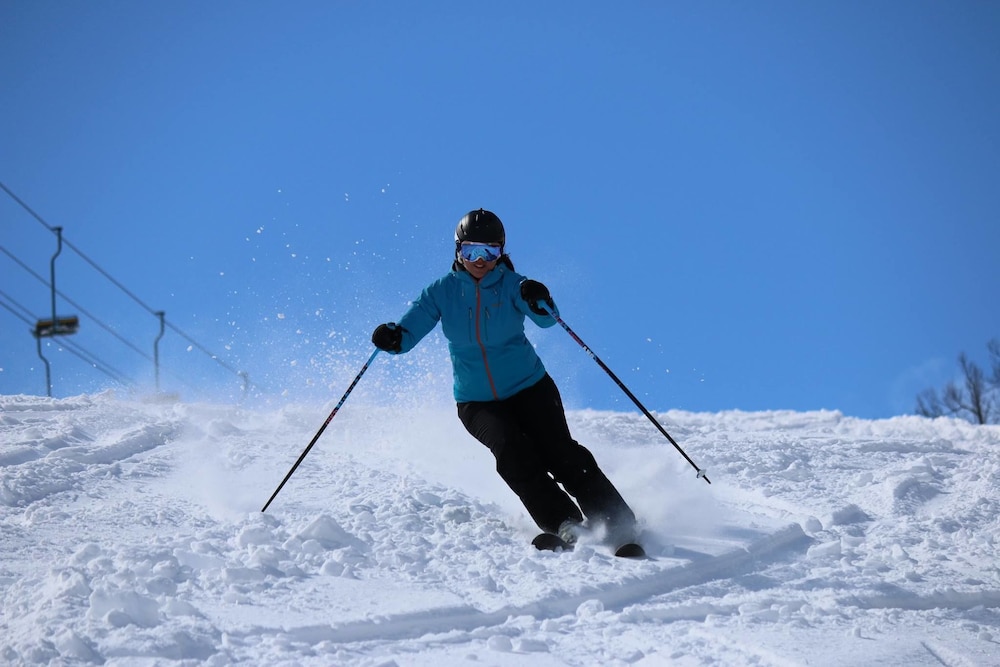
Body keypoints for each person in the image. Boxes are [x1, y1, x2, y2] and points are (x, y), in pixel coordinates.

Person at [371, 208, 639, 551]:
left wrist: (540, 298)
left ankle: (616, 519)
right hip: (476, 401)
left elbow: (546, 319)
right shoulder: (441, 292)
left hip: (530, 388)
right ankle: (563, 522)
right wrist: (393, 338)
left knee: (559, 451)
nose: (479, 260)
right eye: (470, 251)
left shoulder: (515, 286)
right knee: (512, 454)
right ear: (457, 251)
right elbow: (408, 332)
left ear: (501, 252)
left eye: (489, 252)